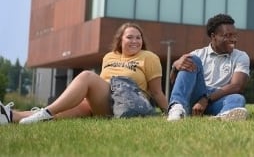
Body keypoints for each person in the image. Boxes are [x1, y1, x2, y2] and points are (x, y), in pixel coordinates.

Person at [0, 23, 168, 125]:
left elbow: (156, 92)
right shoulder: (109, 57)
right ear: (120, 40)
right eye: (130, 37)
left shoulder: (149, 57)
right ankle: (10, 116)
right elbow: (103, 84)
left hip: (128, 103)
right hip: (104, 102)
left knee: (87, 76)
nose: (135, 41)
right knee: (64, 110)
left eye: (138, 38)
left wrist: (168, 112)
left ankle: (47, 112)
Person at [167, 14, 250, 121]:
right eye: (227, 35)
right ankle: (177, 109)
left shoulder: (241, 56)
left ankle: (224, 115)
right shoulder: (197, 54)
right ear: (213, 36)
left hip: (218, 98)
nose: (233, 39)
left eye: (235, 35)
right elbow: (176, 83)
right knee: (191, 59)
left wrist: (206, 99)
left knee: (238, 98)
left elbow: (236, 86)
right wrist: (175, 66)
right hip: (196, 96)